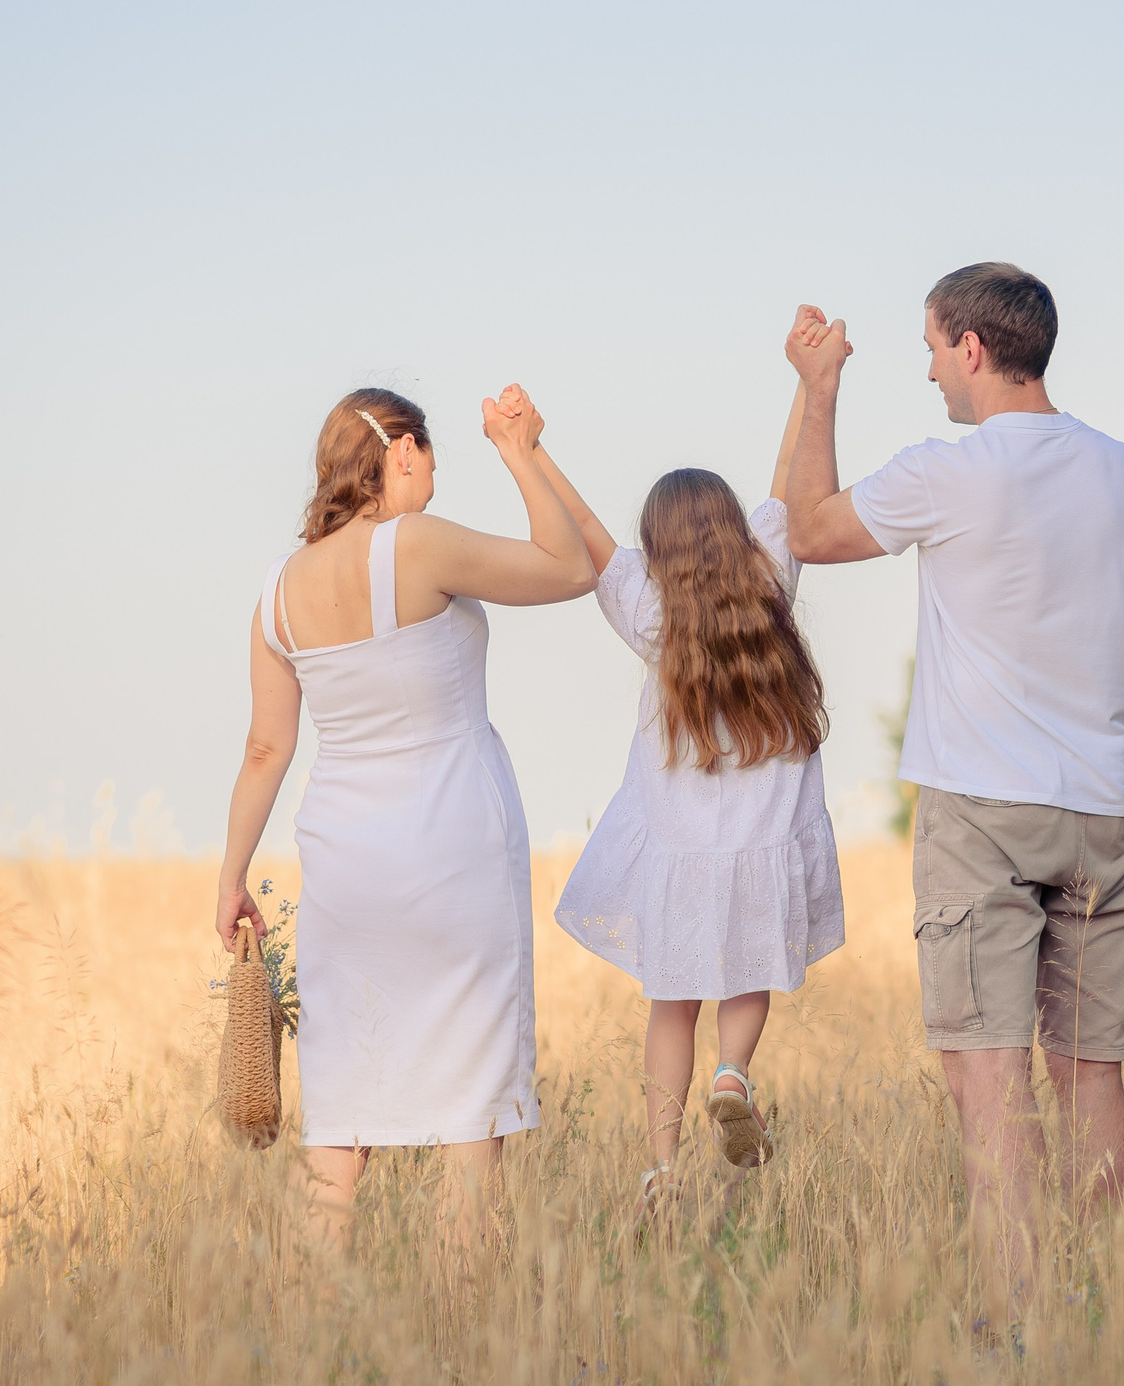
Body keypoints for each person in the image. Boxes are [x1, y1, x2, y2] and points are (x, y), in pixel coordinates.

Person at [776, 265, 1124, 1311]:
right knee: (1088, 1072)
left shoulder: (947, 469)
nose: (931, 367)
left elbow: (806, 529)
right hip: (1107, 810)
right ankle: (1105, 1305)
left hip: (979, 810)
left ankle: (1017, 1326)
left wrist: (817, 388)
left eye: (934, 347)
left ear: (973, 349)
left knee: (988, 1084)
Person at [214, 384, 598, 1254]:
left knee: (343, 1110)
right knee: (472, 1104)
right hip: (453, 850)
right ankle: (457, 1319)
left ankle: (317, 1320)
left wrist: (232, 876)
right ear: (404, 451)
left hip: (347, 868)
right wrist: (520, 450)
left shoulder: (277, 592)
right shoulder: (416, 544)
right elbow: (570, 566)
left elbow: (264, 751)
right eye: (431, 456)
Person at [528, 381, 847, 1201]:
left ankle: (661, 1169)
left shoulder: (650, 612)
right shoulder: (772, 577)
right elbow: (786, 479)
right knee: (748, 978)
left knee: (671, 1004)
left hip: (681, 856)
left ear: (657, 548)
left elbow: (587, 535)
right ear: (736, 528)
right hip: (761, 850)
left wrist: (528, 451)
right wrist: (811, 386)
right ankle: (733, 1073)